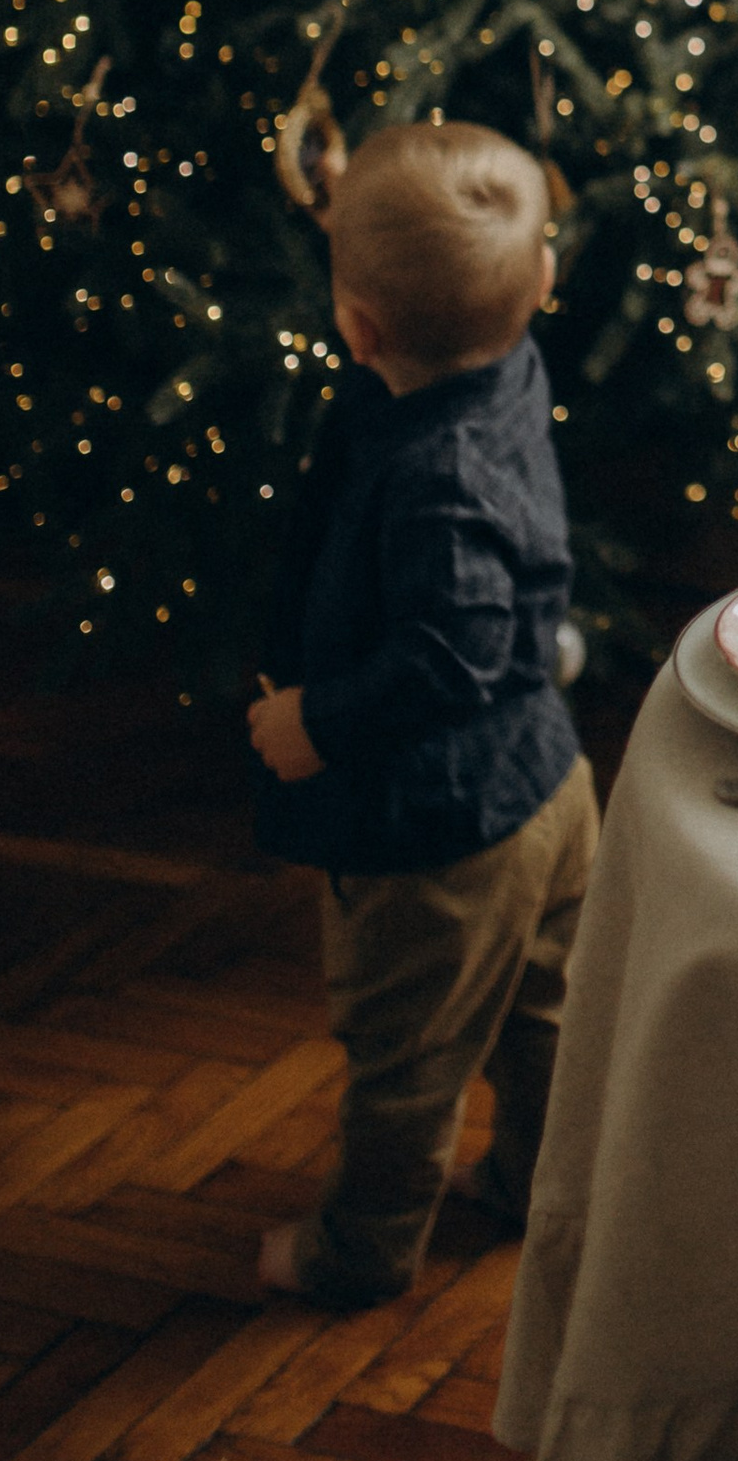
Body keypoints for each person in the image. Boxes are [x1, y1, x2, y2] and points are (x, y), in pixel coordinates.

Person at [246, 120, 595, 1305]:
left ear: (356, 328)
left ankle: (365, 1250)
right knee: (543, 1007)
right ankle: (539, 1177)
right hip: (551, 781)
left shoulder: (434, 474)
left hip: (442, 831)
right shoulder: (515, 362)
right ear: (540, 282)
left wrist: (319, 722)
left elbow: (454, 651)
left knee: (408, 1055)